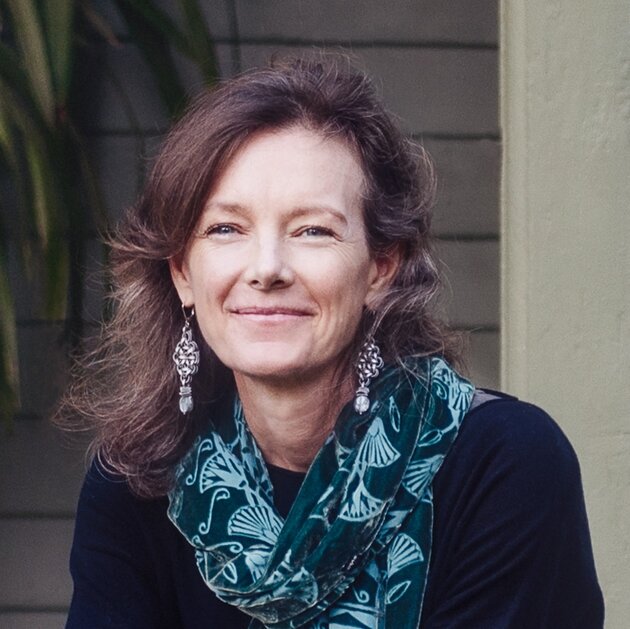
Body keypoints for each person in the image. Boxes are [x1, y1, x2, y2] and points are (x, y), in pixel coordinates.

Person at [59, 55, 604, 628]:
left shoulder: (507, 463)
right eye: (226, 229)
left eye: (312, 230)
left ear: (381, 267)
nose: (266, 268)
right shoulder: (136, 482)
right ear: (182, 274)